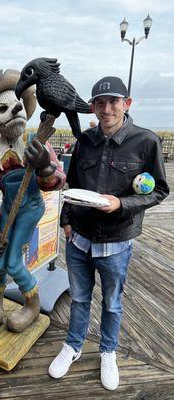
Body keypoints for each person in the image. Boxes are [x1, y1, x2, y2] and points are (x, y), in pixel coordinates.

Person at [48, 76, 169, 390]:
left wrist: (122, 203)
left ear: (126, 104)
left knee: (112, 303)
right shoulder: (84, 141)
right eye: (100, 103)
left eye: (114, 101)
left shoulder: (147, 142)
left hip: (117, 241)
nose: (107, 108)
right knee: (78, 299)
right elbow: (70, 187)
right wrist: (66, 222)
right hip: (79, 238)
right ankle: (73, 346)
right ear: (92, 107)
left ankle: (108, 352)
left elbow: (159, 191)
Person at [0, 69, 66, 333]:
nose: (13, 111)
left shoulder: (37, 145)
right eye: (2, 108)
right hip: (7, 209)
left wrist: (45, 167)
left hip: (29, 209)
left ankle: (32, 305)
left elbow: (58, 181)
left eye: (17, 105)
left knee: (13, 261)